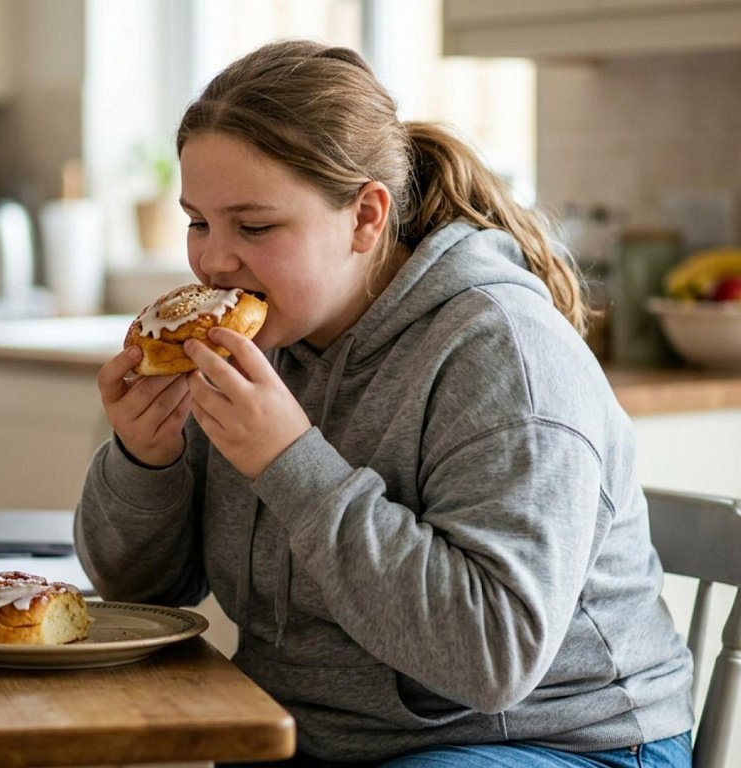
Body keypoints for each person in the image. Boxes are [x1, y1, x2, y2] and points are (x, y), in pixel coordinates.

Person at [75, 39, 694, 768]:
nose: (213, 261)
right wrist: (148, 462)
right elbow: (143, 592)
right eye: (198, 222)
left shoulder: (502, 351)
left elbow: (491, 660)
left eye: (254, 226)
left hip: (554, 743)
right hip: (312, 735)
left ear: (367, 217)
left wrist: (290, 463)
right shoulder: (256, 342)